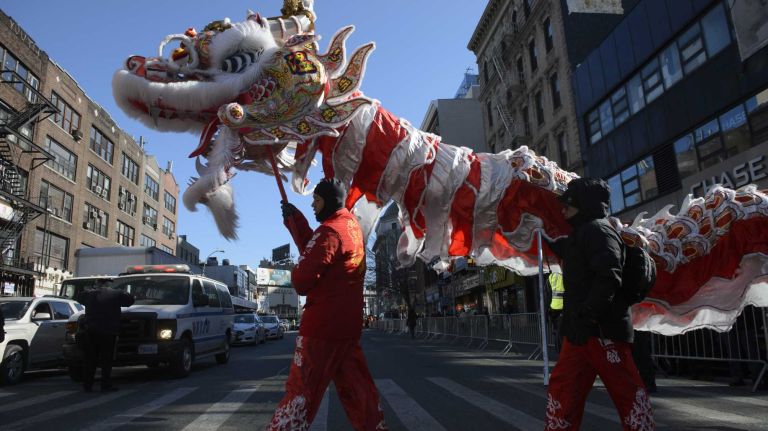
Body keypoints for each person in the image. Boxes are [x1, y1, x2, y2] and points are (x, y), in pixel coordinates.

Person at [268, 178, 387, 430]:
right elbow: (322, 253)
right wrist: (296, 221)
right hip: (347, 328)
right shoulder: (350, 225)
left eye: (317, 200)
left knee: (300, 394)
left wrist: (296, 268)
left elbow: (302, 279)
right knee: (358, 391)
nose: (313, 204)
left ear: (329, 202)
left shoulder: (330, 231)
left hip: (320, 329)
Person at [544, 178, 654, 430]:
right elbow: (576, 258)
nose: (563, 209)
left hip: (602, 330)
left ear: (583, 204)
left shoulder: (598, 231)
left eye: (568, 204)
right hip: (579, 333)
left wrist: (588, 315)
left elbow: (608, 277)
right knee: (563, 391)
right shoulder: (583, 232)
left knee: (628, 394)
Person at [79, 284, 134, 393]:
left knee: (90, 359)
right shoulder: (116, 293)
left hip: (91, 331)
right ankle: (105, 384)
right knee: (106, 359)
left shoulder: (89, 294)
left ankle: (87, 385)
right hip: (108, 332)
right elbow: (130, 301)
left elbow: (80, 298)